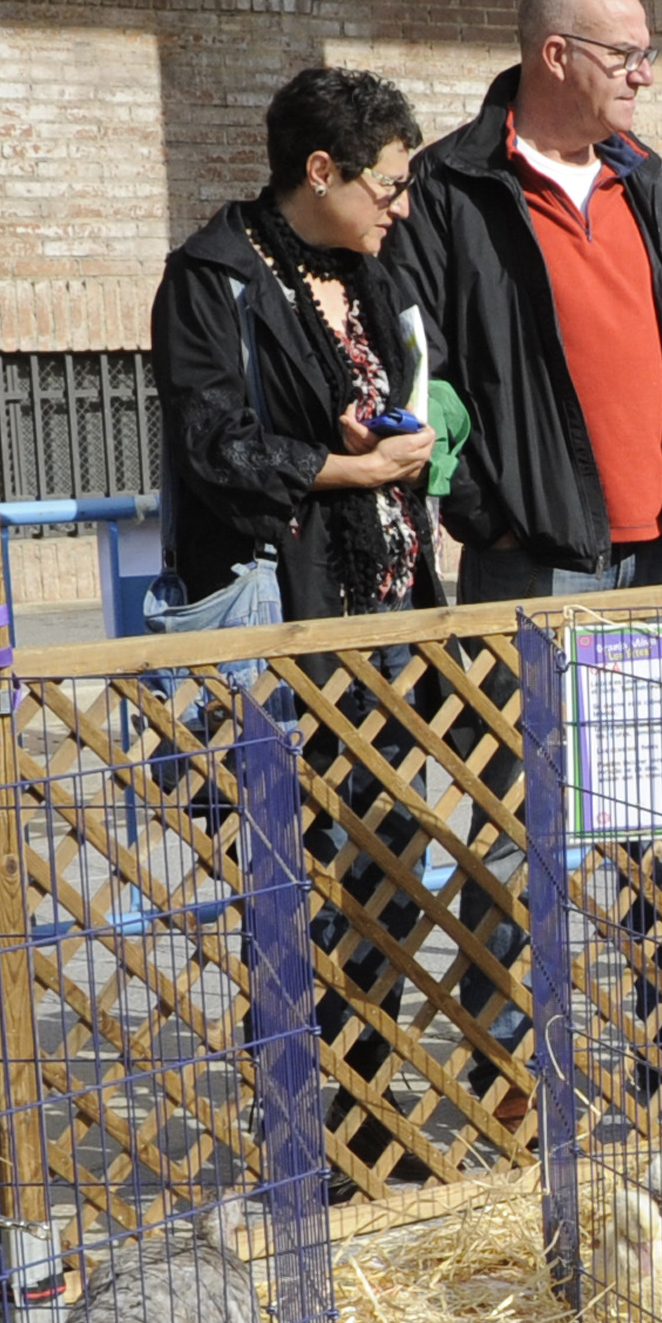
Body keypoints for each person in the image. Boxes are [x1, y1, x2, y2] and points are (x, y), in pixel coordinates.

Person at [386, 0, 662, 1126]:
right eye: (624, 55)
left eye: (646, 55)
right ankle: (504, 1089)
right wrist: (484, 507)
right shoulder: (449, 189)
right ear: (555, 57)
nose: (644, 75)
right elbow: (416, 371)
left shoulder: (649, 181)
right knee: (514, 825)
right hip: (535, 554)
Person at [150, 66, 445, 1190]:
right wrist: (348, 463)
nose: (400, 205)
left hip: (392, 626)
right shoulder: (211, 278)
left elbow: (401, 390)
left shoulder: (368, 266)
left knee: (387, 875)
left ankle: (370, 1126)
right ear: (320, 171)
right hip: (293, 622)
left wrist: (397, 433)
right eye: (388, 183)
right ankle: (297, 1134)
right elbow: (217, 447)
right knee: (293, 885)